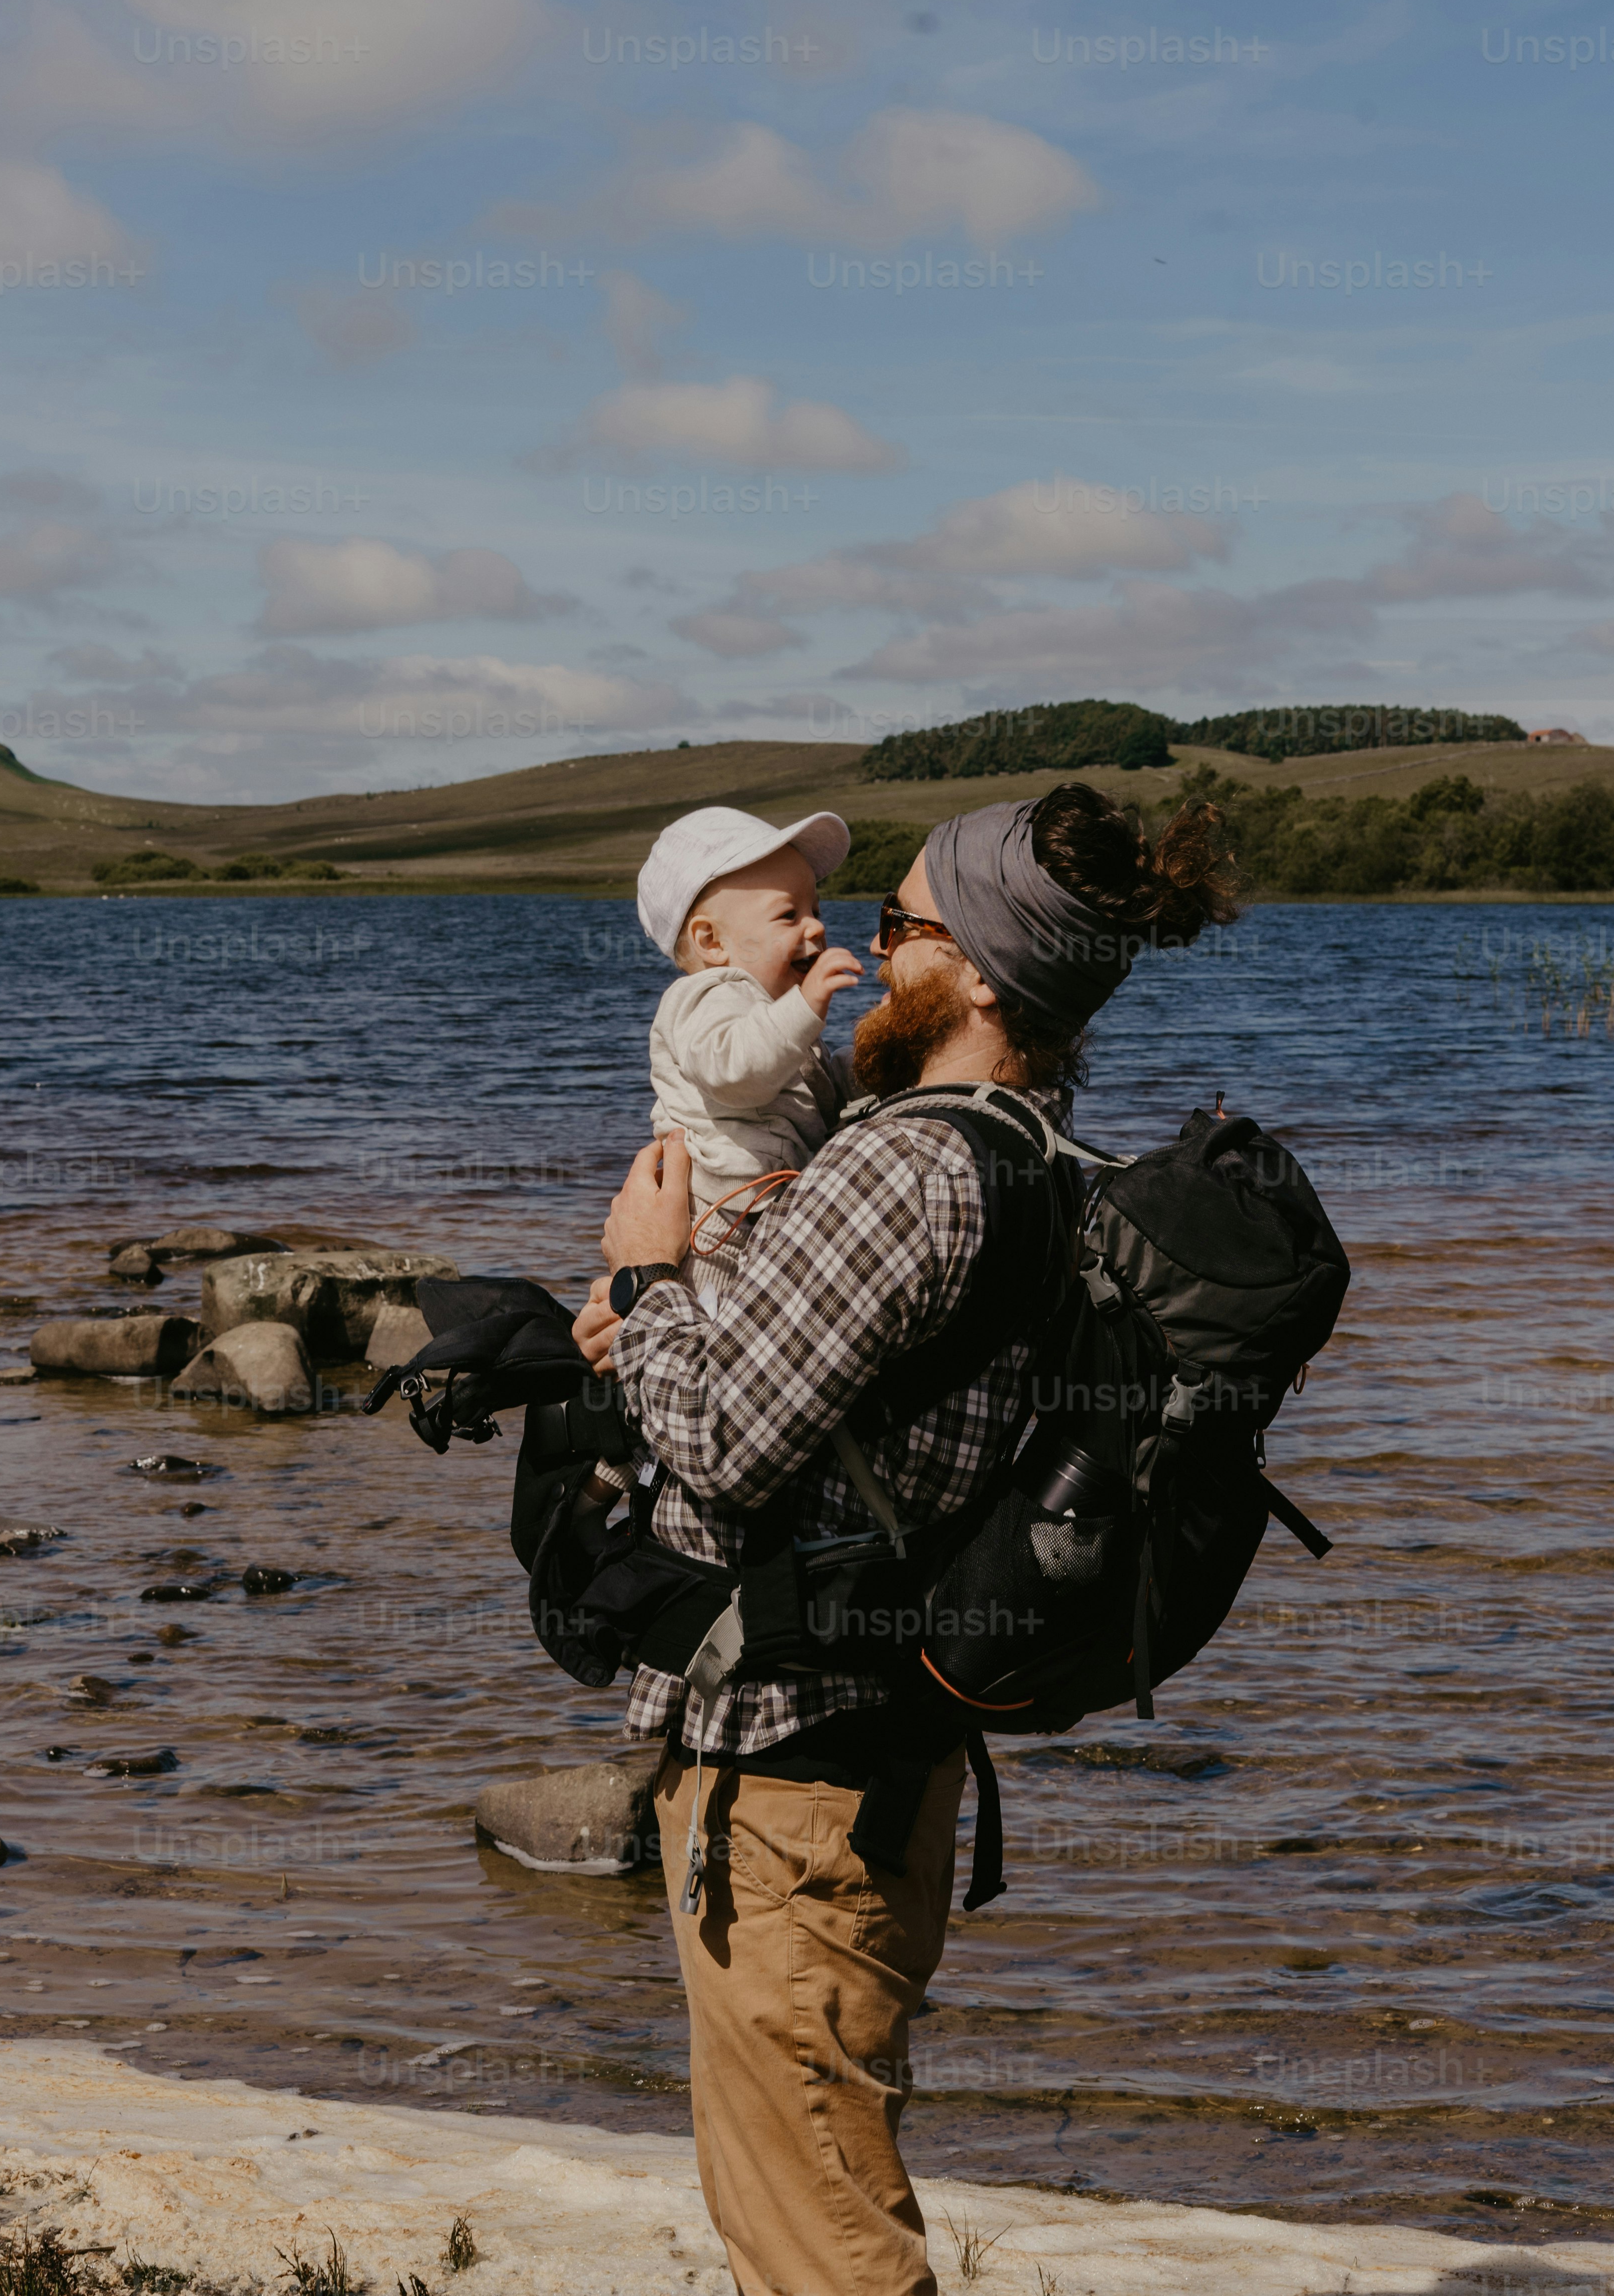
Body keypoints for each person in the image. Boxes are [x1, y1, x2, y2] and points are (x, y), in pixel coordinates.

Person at [574, 779, 1238, 2296]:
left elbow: (734, 1442)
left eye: (901, 925)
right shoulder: (1031, 1142)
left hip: (797, 1767)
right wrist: (684, 1308)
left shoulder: (902, 1165)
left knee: (819, 2239)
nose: (867, 950)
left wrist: (649, 1274)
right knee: (818, 2189)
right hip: (886, 1745)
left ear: (982, 970)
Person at [636, 805, 867, 1259]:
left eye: (815, 909)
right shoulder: (704, 998)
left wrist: (873, 1056)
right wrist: (806, 1006)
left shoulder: (769, 1014)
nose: (817, 926)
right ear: (712, 943)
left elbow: (820, 1092)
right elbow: (735, 1073)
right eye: (788, 915)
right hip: (717, 1223)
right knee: (718, 1317)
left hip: (763, 1210)